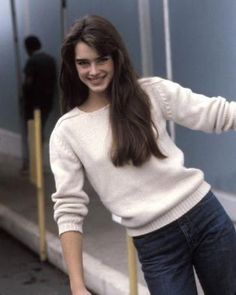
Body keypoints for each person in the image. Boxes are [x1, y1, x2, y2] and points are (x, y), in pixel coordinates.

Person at [49, 15, 236, 295]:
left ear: (116, 57)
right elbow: (68, 210)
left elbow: (218, 114)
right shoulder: (67, 132)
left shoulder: (151, 93)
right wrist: (77, 284)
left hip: (206, 217)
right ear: (72, 65)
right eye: (83, 63)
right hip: (155, 245)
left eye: (102, 59)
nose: (94, 70)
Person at [20, 35, 56, 173]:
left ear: (28, 48)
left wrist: (23, 95)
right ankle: (39, 163)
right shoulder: (50, 60)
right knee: (39, 132)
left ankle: (33, 165)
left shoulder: (32, 61)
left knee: (32, 133)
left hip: (33, 104)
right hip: (47, 103)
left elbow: (28, 82)